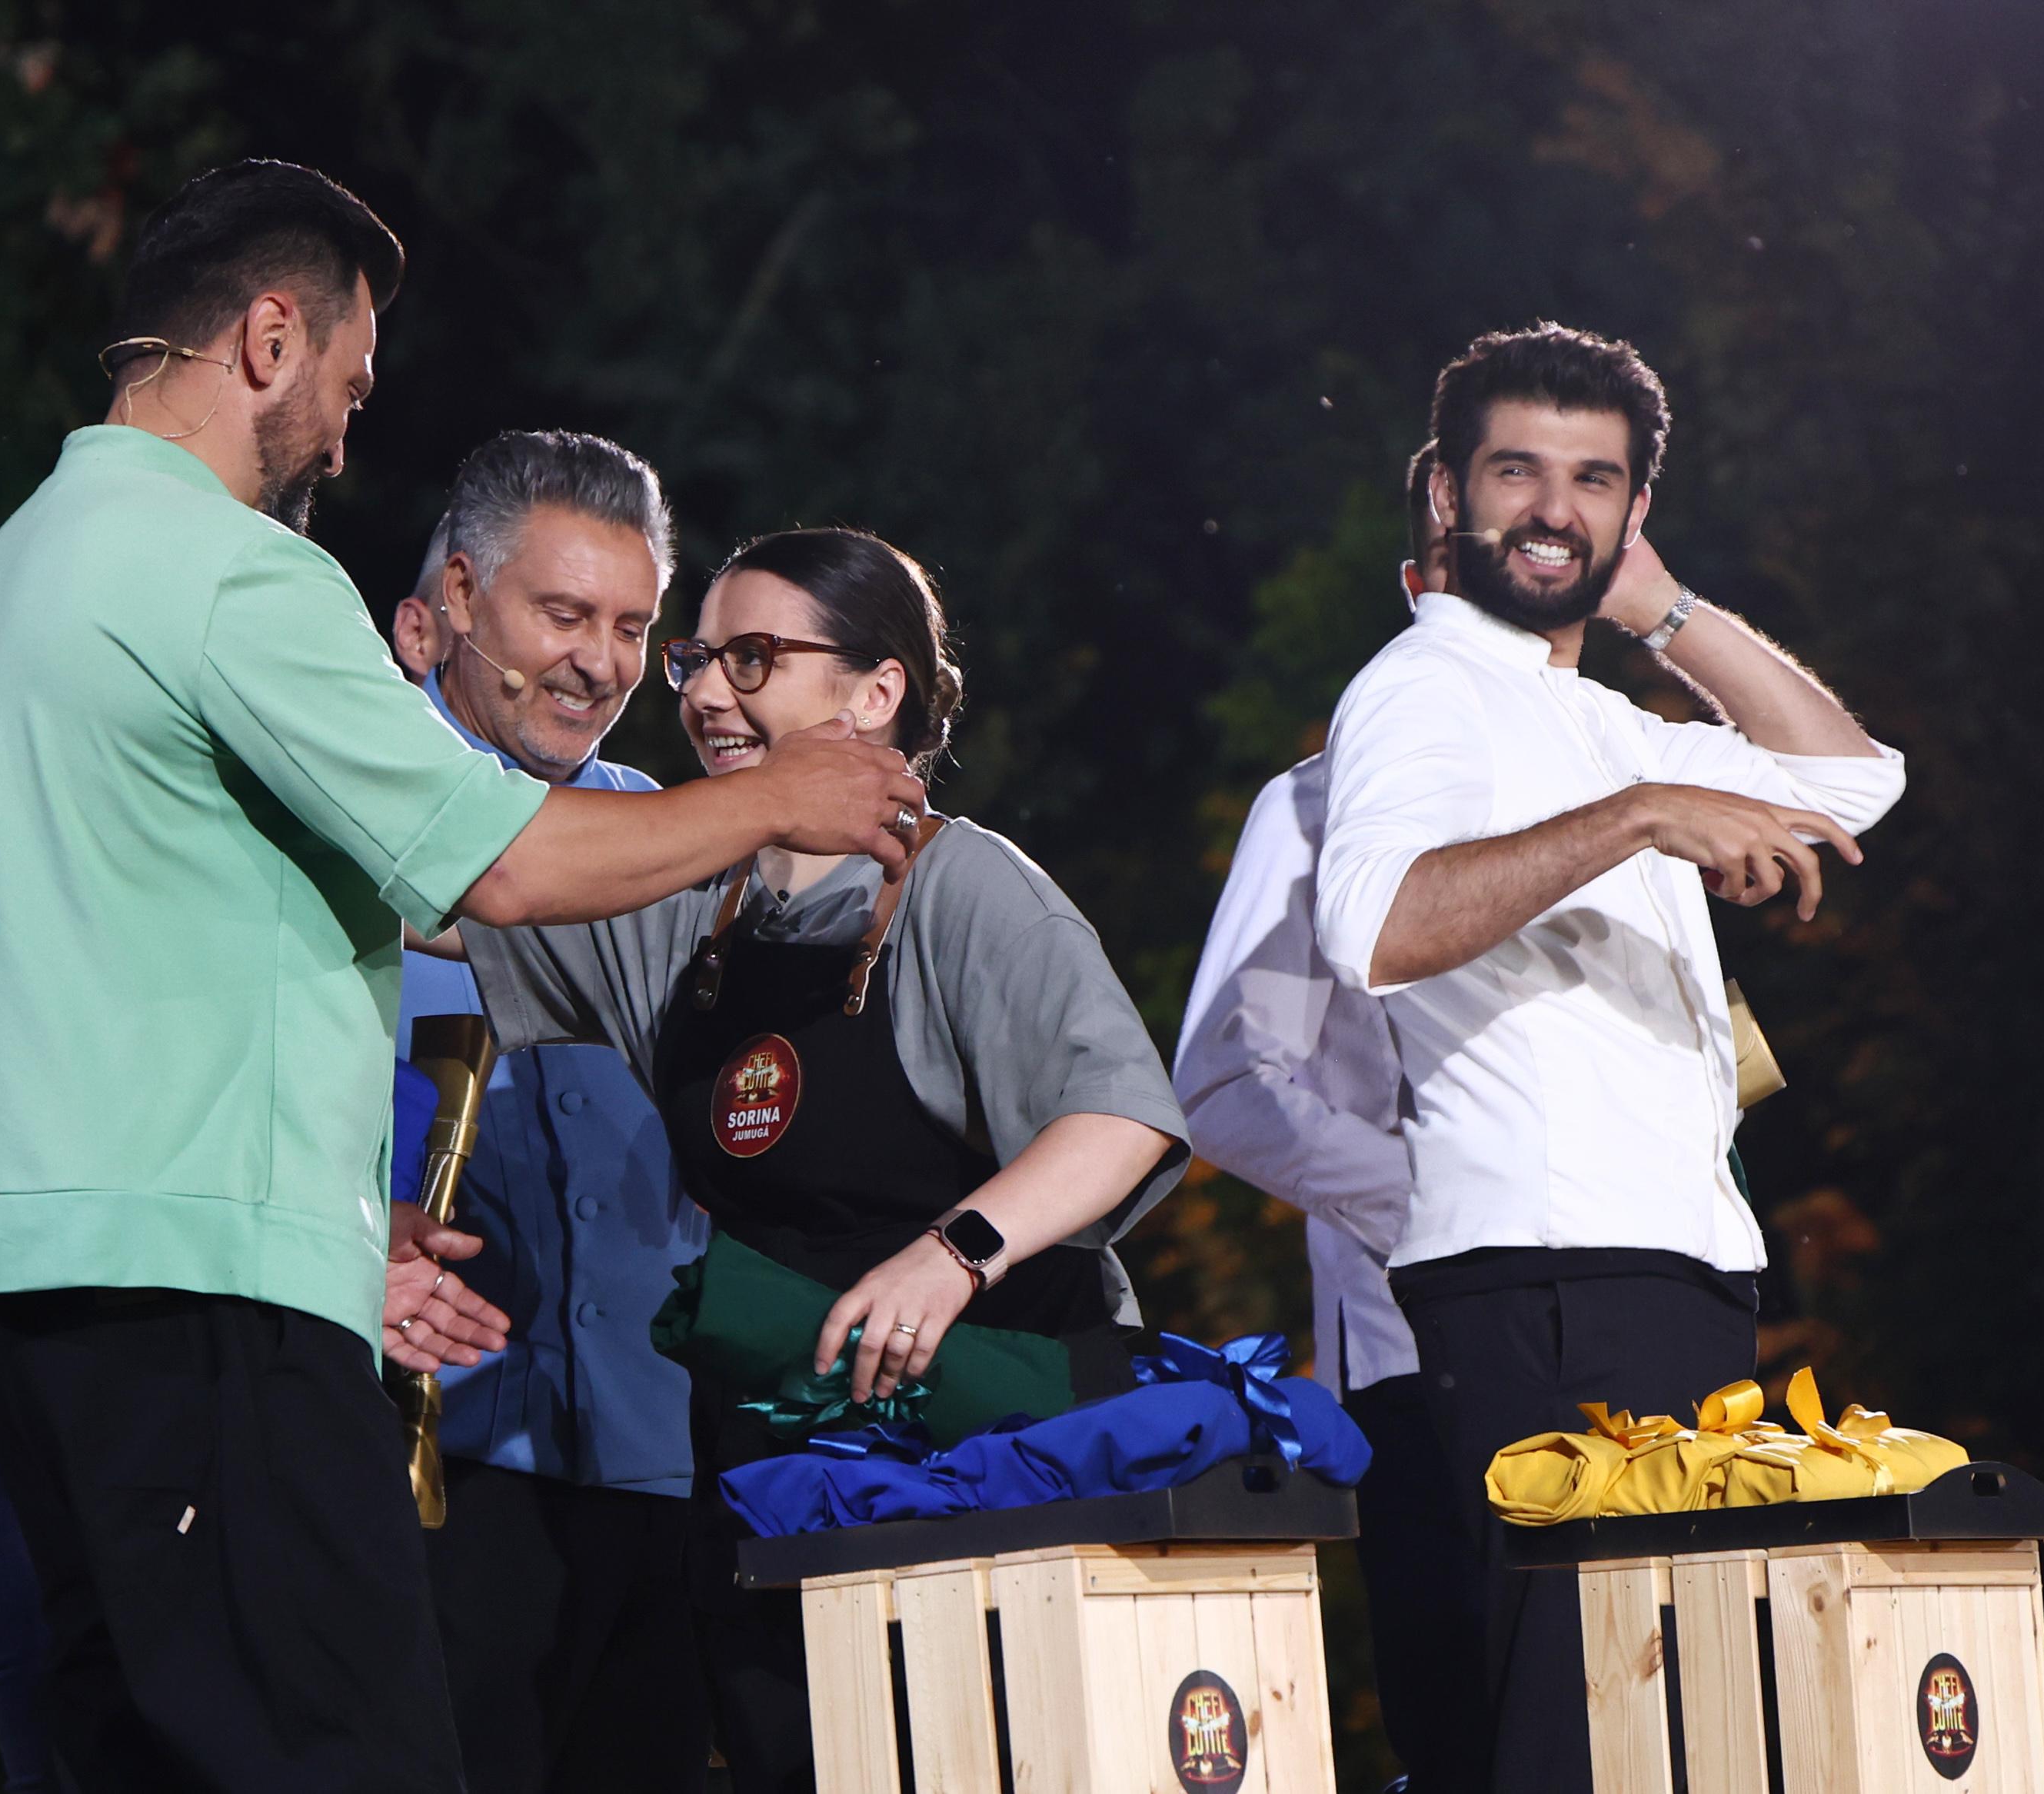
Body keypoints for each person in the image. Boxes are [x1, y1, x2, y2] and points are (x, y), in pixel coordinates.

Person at [0, 160, 923, 1794]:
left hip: (32, 1297)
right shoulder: (227, 572)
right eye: (350, 385)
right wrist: (778, 798)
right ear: (269, 339)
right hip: (214, 1296)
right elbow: (499, 865)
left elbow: (324, 901)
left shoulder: (6, 585)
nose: (343, 434)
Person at [442, 527, 1190, 1794]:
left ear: (875, 690)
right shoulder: (683, 899)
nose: (705, 693)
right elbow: (443, 884)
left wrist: (952, 1255)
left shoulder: (966, 886)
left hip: (989, 1452)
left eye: (752, 657)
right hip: (777, 1469)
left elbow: (1121, 1118)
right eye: (694, 659)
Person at [1312, 323, 1907, 1792]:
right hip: (1545, 1272)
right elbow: (1375, 926)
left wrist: (1664, 606)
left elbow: (1853, 783)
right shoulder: (1425, 685)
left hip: (1661, 1268)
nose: (1553, 509)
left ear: (1635, 508)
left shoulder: (1601, 715)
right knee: (1577, 1731)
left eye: (1594, 481)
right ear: (1446, 492)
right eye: (1516, 471)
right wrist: (1638, 816)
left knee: (1657, 1730)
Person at [386, 431, 714, 1793]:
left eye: (632, 627)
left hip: (663, 1468)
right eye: (565, 614)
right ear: (458, 597)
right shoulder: (342, 813)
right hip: (424, 1465)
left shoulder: (678, 833)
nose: (601, 662)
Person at [1173, 441, 1480, 1794]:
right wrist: (1444, 1199)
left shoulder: (1618, 789)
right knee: (1470, 1728)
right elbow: (1231, 1082)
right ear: (1417, 587)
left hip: (1624, 1330)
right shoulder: (1315, 812)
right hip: (1427, 1353)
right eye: (1469, 571)